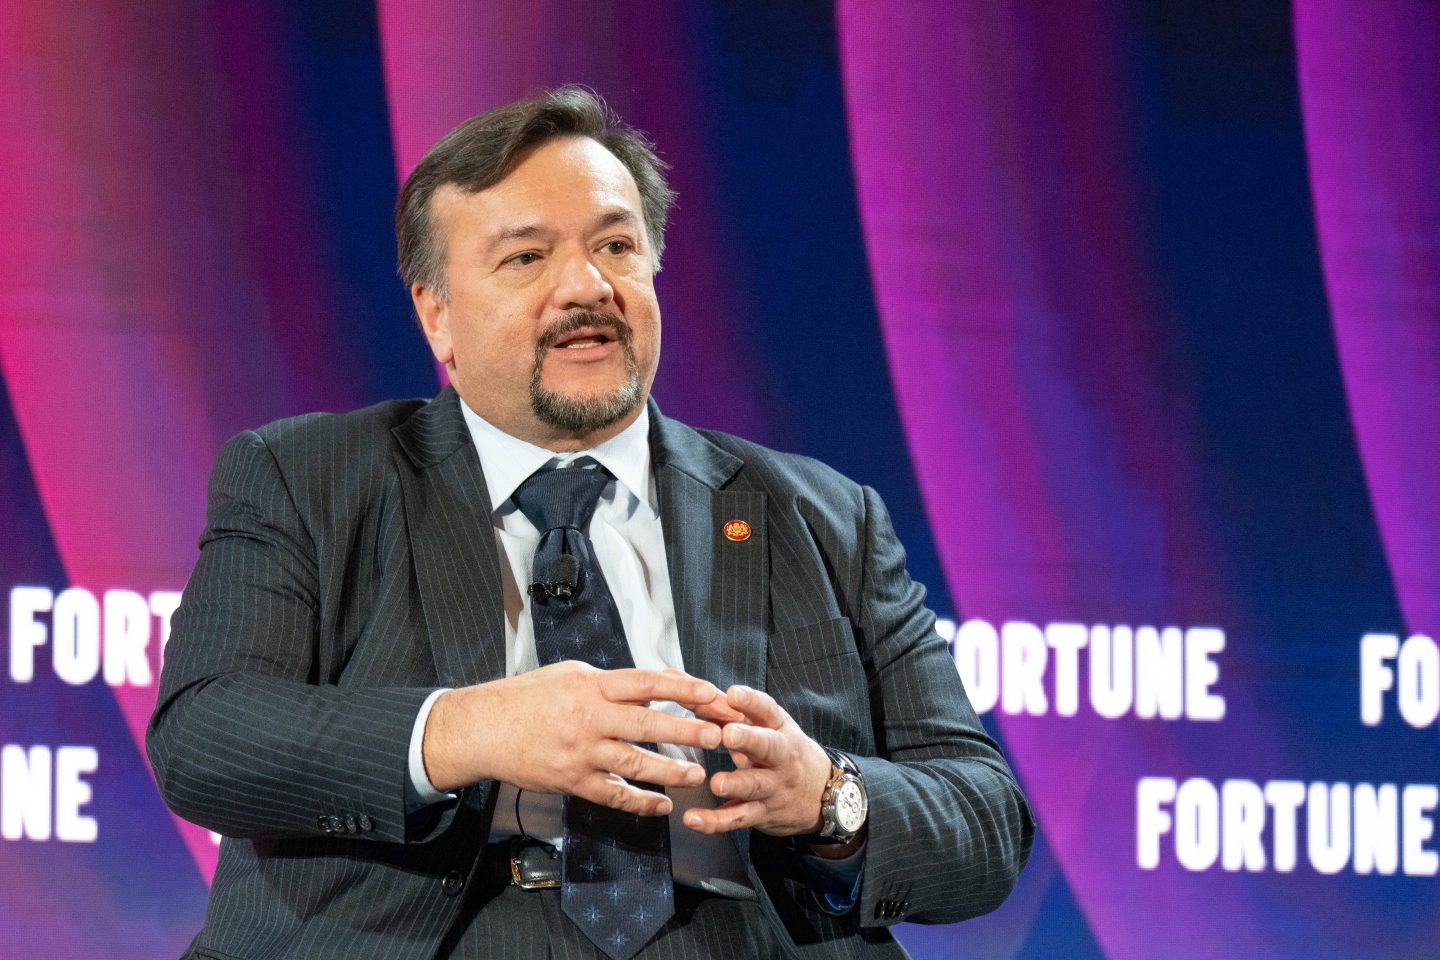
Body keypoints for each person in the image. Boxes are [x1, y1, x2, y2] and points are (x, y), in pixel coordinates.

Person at [147, 86, 1033, 960]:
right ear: (436, 314)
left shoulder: (824, 515)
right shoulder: (308, 479)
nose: (588, 286)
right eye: (526, 258)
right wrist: (470, 731)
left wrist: (829, 799)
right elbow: (206, 734)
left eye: (617, 245)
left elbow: (985, 819)